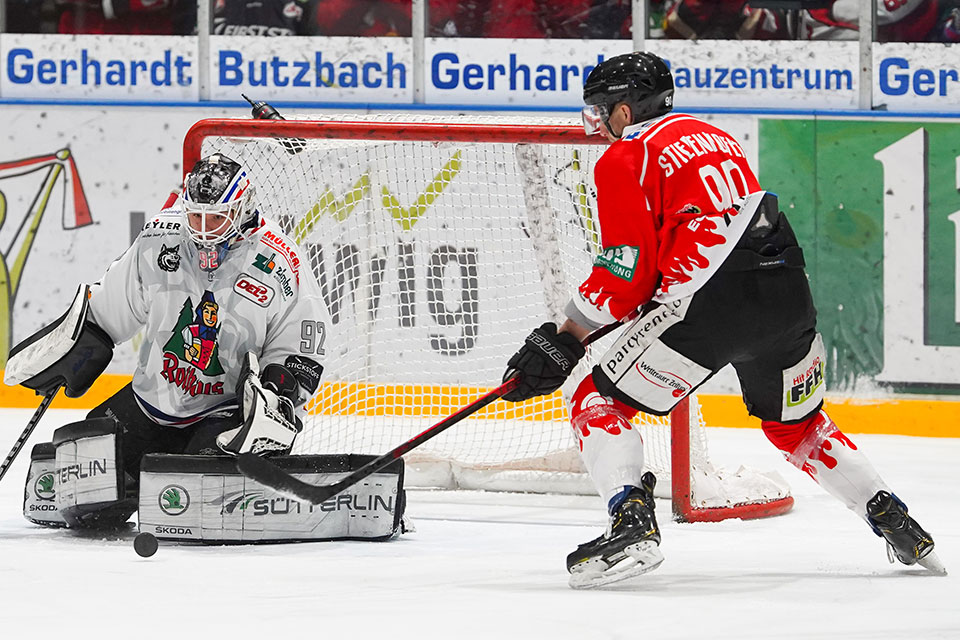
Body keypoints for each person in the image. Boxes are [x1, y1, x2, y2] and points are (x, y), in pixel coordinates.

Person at [501, 51, 943, 589]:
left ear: (625, 108)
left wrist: (567, 333)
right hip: (787, 292)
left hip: (714, 303)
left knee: (597, 400)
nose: (598, 123)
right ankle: (894, 519)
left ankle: (632, 524)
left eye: (602, 109)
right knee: (797, 426)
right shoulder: (715, 137)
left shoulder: (624, 157)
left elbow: (626, 273)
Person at [7, 153, 328, 531]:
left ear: (242, 209)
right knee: (88, 490)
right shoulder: (159, 239)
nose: (204, 229)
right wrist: (76, 346)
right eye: (196, 217)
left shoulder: (278, 259)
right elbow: (111, 310)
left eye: (216, 218)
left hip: (226, 410)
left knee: (195, 496)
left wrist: (279, 388)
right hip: (154, 400)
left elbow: (303, 342)